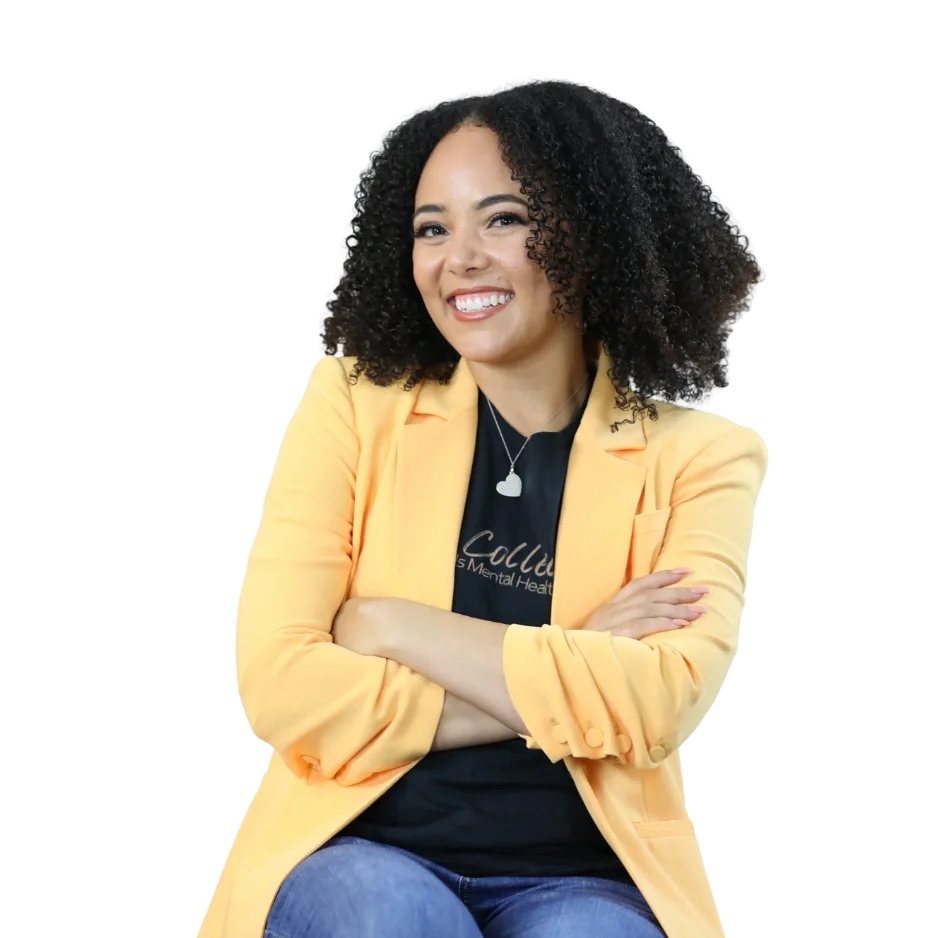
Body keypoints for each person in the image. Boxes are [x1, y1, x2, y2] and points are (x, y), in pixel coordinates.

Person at [197, 79, 767, 938]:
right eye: (433, 227)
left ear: (586, 233)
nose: (458, 257)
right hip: (365, 850)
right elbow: (280, 686)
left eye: (501, 218)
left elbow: (656, 703)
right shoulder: (351, 408)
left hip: (583, 878)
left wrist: (389, 625)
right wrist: (577, 663)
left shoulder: (700, 456)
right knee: (388, 915)